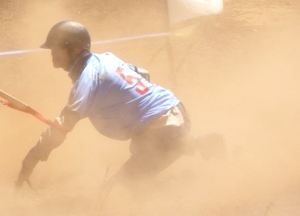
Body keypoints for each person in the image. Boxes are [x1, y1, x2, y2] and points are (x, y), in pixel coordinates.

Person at [16, 20, 220, 188]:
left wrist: (32, 158)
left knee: (119, 191)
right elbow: (143, 73)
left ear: (75, 49)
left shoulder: (88, 77)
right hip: (174, 113)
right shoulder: (106, 58)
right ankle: (196, 144)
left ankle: (184, 191)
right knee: (140, 151)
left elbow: (64, 123)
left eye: (56, 48)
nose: (52, 52)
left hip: (162, 127)